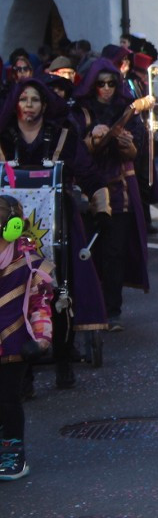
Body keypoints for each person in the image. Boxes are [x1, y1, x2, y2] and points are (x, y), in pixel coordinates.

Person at [0, 80, 106, 390]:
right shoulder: (3, 139)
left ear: (45, 105)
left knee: (60, 290)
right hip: (9, 232)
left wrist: (103, 209)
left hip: (59, 225)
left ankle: (62, 359)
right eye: (24, 99)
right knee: (13, 297)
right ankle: (23, 371)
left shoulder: (63, 137)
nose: (30, 104)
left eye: (36, 99)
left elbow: (89, 174)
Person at [73, 59, 150, 329]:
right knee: (88, 250)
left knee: (114, 252)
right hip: (87, 188)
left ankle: (112, 310)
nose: (106, 88)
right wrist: (92, 137)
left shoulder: (127, 111)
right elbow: (76, 152)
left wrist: (127, 144)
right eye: (101, 83)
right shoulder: (80, 113)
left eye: (111, 83)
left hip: (119, 189)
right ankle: (89, 308)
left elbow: (134, 153)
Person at [0, 196, 53, 480]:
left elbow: (40, 303)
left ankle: (13, 455)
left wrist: (42, 339)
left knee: (7, 401)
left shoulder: (30, 264)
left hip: (14, 343)